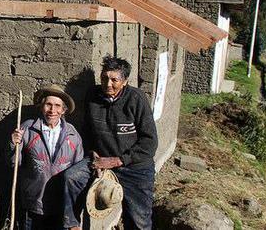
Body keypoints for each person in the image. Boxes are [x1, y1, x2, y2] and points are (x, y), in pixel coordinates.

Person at [63, 56, 158, 230]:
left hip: (135, 167)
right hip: (101, 161)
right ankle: (72, 225)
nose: (108, 84)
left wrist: (117, 160)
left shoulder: (136, 99)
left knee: (139, 220)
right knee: (72, 178)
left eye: (114, 80)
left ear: (125, 81)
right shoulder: (93, 95)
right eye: (104, 78)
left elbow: (150, 142)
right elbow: (87, 130)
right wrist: (92, 150)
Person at [9, 84, 84, 230]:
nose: (52, 110)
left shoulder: (73, 135)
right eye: (48, 105)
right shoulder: (28, 129)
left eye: (57, 106)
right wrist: (13, 144)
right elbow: (14, 164)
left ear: (63, 110)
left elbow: (78, 174)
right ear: (41, 106)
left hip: (61, 206)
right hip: (33, 203)